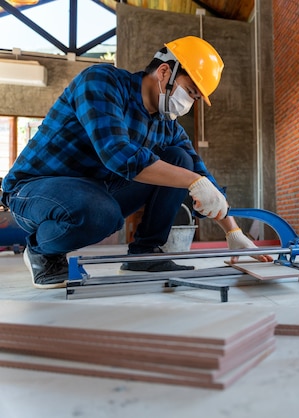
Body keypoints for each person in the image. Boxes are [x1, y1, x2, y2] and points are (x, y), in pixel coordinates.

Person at [0, 36, 272, 290]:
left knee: (180, 159)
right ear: (164, 72)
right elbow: (117, 153)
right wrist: (192, 181)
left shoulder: (168, 128)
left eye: (195, 98)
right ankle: (40, 251)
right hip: (35, 189)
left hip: (97, 190)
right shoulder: (101, 82)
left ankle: (145, 255)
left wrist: (233, 231)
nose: (189, 103)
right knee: (100, 212)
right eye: (189, 91)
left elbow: (199, 174)